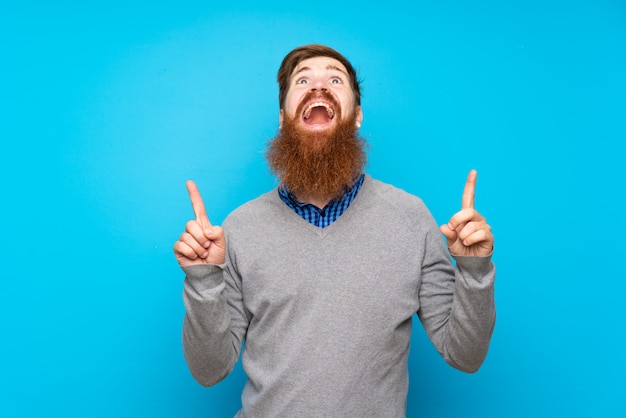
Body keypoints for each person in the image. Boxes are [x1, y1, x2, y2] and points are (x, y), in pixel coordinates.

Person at [173, 44, 496, 417]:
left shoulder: (410, 217)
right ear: (283, 118)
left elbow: (466, 356)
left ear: (356, 116)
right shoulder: (240, 228)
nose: (319, 87)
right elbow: (208, 370)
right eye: (304, 80)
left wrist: (474, 271)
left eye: (335, 79)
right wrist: (202, 279)